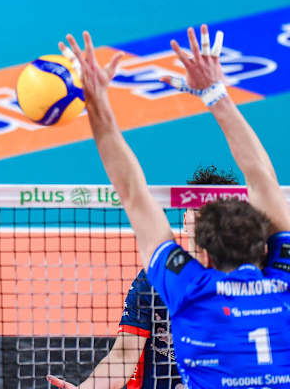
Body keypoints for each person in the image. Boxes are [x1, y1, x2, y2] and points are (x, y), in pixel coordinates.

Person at [51, 25, 290, 387]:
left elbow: (131, 192)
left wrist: (96, 100)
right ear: (262, 243)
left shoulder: (188, 286)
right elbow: (263, 179)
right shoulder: (284, 278)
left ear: (205, 254)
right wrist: (216, 94)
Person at [48, 166, 240, 389]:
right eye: (198, 209)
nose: (204, 219)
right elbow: (122, 356)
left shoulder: (246, 285)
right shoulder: (154, 280)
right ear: (186, 215)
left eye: (214, 212)